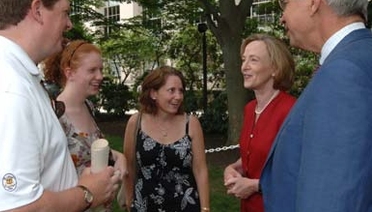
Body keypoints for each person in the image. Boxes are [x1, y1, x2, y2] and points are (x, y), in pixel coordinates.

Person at [0, 0, 119, 211]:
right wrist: (88, 194)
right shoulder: (9, 90)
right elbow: (17, 208)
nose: (69, 24)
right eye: (65, 12)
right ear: (37, 10)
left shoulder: (12, 74)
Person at [260, 0, 372, 211]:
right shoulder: (358, 58)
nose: (282, 17)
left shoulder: (344, 74)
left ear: (313, 0)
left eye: (284, 2)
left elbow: (332, 198)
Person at [42, 39, 128, 211]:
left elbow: (89, 151)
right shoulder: (55, 115)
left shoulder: (88, 106)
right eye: (92, 70)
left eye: (101, 70)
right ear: (70, 72)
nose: (100, 76)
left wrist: (120, 158)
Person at [223, 34, 296, 212]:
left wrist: (256, 185)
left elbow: (298, 173)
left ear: (275, 69)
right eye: (243, 60)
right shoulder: (249, 109)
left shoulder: (291, 111)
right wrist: (232, 168)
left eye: (253, 60)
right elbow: (255, 155)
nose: (244, 67)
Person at [122, 66, 210, 212]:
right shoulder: (136, 122)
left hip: (185, 206)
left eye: (181, 91)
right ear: (153, 93)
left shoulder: (191, 124)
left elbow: (201, 170)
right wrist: (129, 200)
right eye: (171, 90)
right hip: (144, 205)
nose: (178, 96)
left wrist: (205, 208)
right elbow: (129, 167)